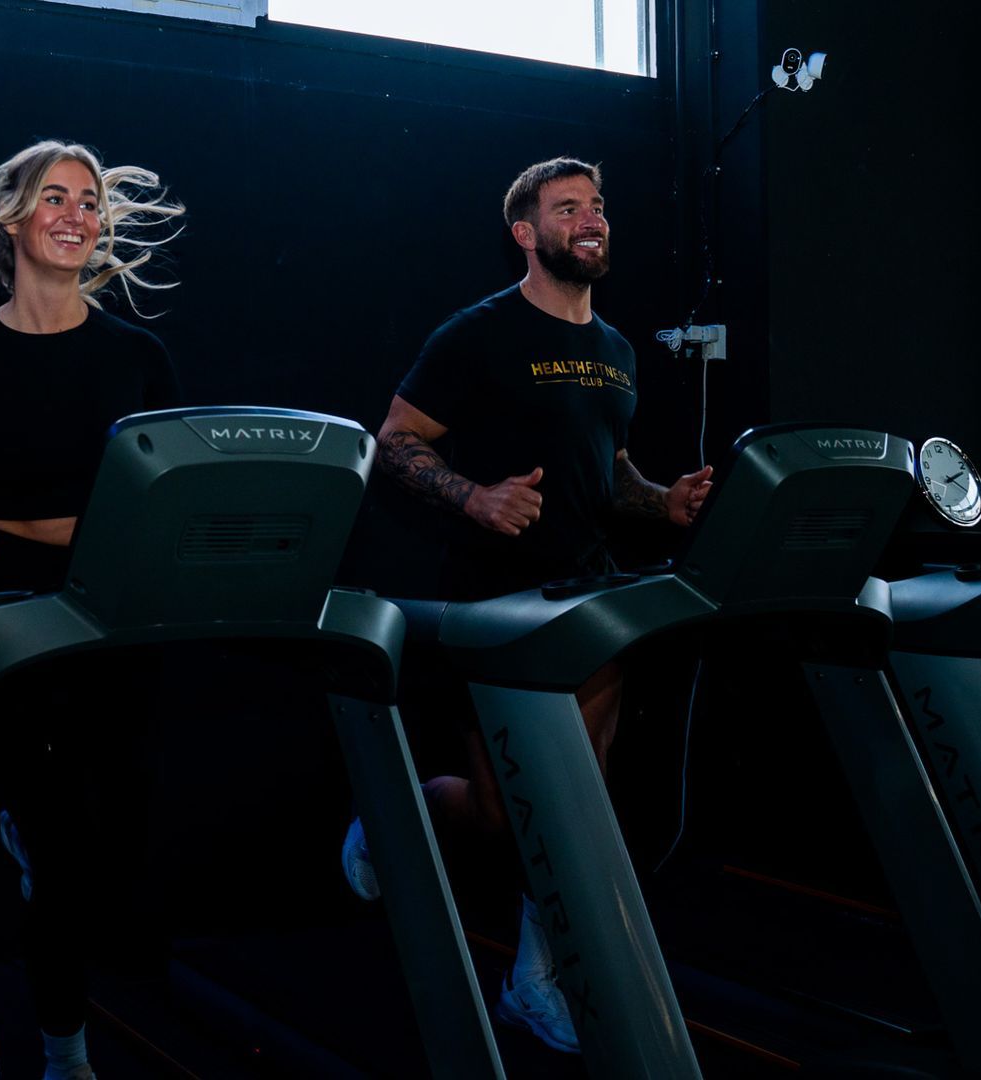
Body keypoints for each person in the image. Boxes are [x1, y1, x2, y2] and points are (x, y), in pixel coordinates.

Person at [341, 157, 710, 1054]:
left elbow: (607, 469)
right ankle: (399, 811)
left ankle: (533, 977)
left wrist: (659, 502)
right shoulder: (478, 335)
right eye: (568, 208)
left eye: (598, 207)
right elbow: (392, 441)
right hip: (492, 604)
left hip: (590, 600)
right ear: (526, 233)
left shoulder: (618, 352)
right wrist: (473, 497)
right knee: (507, 812)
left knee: (574, 798)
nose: (591, 219)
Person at [0, 139, 185, 1080]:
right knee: (63, 853)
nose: (75, 214)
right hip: (10, 606)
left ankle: (44, 849)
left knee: (118, 839)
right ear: (13, 220)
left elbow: (175, 490)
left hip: (114, 602)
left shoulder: (138, 356)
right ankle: (66, 1051)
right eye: (53, 197)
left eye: (90, 201)